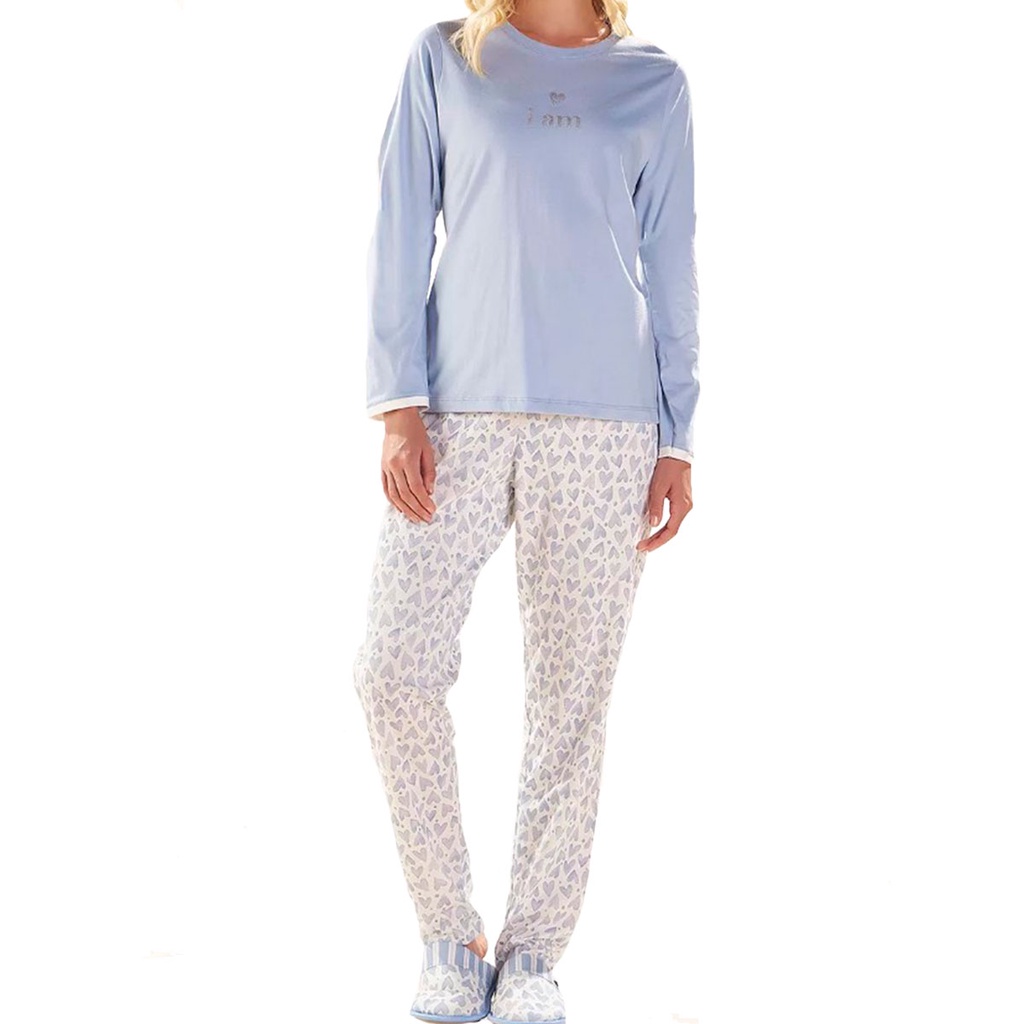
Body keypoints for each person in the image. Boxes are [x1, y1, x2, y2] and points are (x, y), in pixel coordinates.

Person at [351, 3, 699, 1022]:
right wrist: (398, 402)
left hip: (606, 425)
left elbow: (671, 259)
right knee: (391, 667)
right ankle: (448, 932)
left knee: (570, 698)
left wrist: (678, 435)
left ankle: (534, 952)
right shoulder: (444, 60)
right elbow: (398, 226)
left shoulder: (654, 83)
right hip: (455, 413)